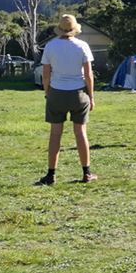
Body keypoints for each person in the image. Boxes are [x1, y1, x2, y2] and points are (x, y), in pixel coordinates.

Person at [36, 14, 97, 185]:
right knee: (81, 133)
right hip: (79, 93)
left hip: (56, 93)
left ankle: (51, 175)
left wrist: (47, 92)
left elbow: (46, 74)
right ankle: (86, 173)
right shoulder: (82, 46)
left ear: (60, 29)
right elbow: (89, 75)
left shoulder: (50, 46)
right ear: (74, 29)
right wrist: (91, 96)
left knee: (55, 133)